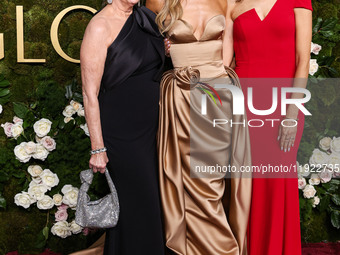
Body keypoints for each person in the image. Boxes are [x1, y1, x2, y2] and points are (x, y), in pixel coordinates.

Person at [147, 0, 252, 254]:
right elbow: (140, 42)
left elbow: (226, 54)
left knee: (214, 179)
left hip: (219, 95)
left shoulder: (224, 1)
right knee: (192, 181)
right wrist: (160, 49)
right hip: (183, 98)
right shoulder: (159, 2)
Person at [76, 0, 166, 254]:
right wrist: (97, 147)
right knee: (143, 203)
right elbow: (89, 93)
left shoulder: (145, 17)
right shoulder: (99, 26)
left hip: (152, 128)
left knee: (141, 205)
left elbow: (148, 59)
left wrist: (164, 50)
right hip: (122, 132)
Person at [223, 0, 313, 254]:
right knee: (247, 186)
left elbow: (302, 59)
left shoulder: (298, 1)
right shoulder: (233, 4)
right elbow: (223, 62)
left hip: (285, 104)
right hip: (244, 105)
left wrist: (291, 115)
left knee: (277, 181)